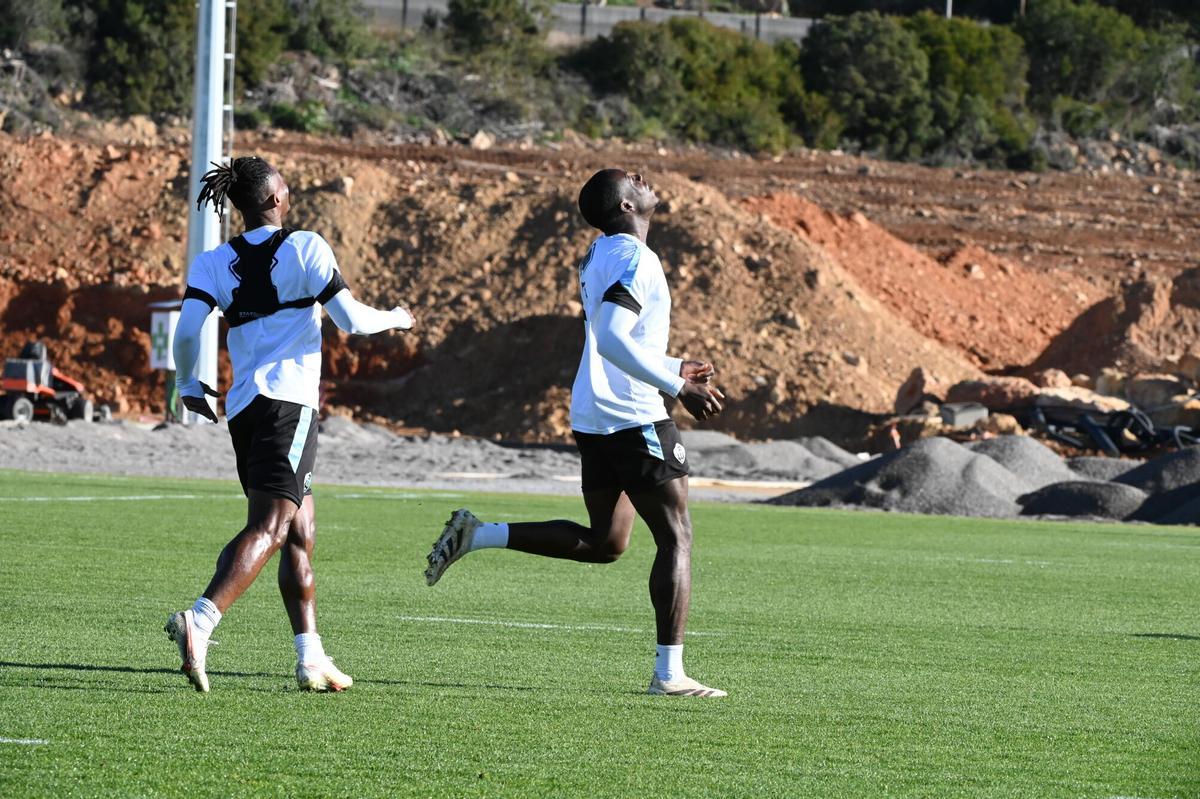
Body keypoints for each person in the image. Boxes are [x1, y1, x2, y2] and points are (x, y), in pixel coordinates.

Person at [425, 169, 728, 698]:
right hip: (634, 414)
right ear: (627, 207)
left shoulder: (599, 253)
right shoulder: (636, 259)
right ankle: (669, 675)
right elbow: (612, 339)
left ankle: (480, 534)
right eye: (632, 180)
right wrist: (674, 382)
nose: (642, 177)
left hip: (595, 412)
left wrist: (673, 361)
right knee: (676, 538)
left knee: (607, 542)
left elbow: (617, 338)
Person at [164, 156, 414, 693]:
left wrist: (188, 384)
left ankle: (312, 657)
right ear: (275, 198)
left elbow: (187, 333)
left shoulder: (212, 261)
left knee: (299, 530)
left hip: (247, 406)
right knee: (273, 528)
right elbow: (351, 320)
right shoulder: (306, 246)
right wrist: (397, 316)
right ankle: (200, 620)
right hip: (290, 405)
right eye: (285, 183)